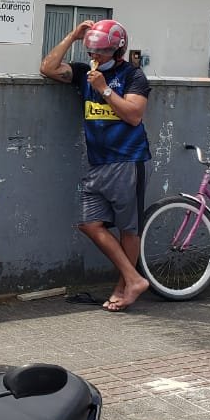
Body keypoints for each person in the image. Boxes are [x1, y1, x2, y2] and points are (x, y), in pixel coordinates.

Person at [40, 20, 152, 312]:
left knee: (129, 229)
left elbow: (134, 115)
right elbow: (48, 68)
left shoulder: (133, 76)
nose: (95, 56)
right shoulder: (83, 73)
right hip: (98, 163)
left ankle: (124, 287)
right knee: (89, 224)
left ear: (117, 51)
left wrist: (104, 90)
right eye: (91, 51)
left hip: (127, 160)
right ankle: (134, 279)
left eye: (101, 52)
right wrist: (73, 35)